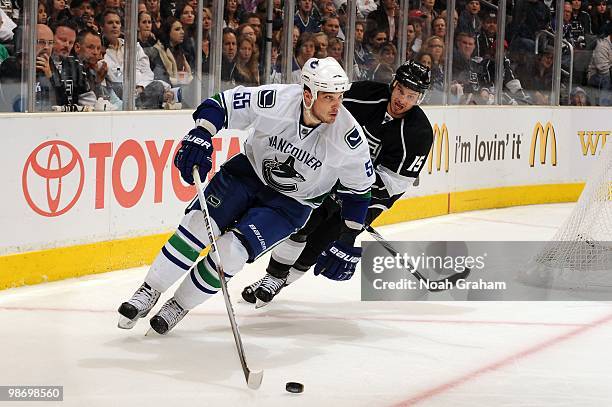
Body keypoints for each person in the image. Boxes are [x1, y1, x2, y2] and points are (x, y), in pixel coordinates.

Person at [117, 57, 375, 334]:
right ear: (308, 94)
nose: (337, 105)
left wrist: (348, 238)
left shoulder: (349, 137)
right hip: (246, 175)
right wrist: (201, 133)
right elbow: (220, 105)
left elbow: (359, 192)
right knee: (196, 229)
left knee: (231, 253)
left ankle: (179, 305)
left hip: (292, 204)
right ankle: (148, 291)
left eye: (340, 97)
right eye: (329, 97)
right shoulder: (276, 100)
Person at [241, 60, 434, 306]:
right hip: (326, 173)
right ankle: (271, 278)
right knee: (302, 226)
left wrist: (354, 193)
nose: (402, 100)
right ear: (393, 85)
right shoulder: (364, 94)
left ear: (420, 98)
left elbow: (394, 183)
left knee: (321, 244)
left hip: (369, 196)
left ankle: (282, 281)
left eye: (411, 95)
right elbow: (322, 108)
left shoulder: (419, 133)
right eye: (400, 91)